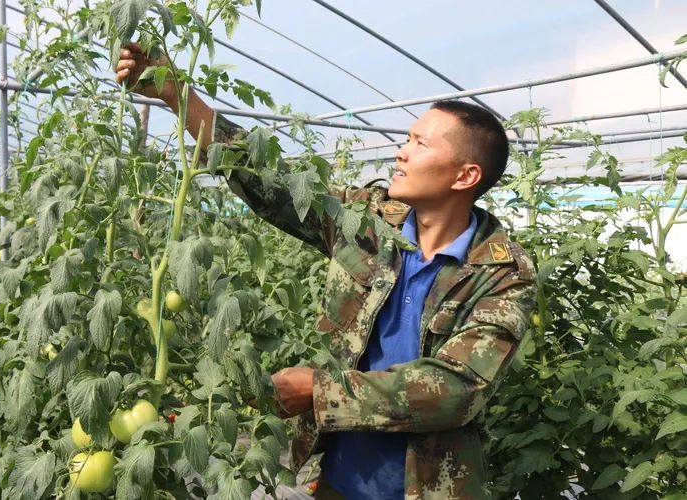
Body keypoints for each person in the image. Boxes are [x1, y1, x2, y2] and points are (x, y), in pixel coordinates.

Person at [116, 43, 537, 500]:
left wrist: (317, 391)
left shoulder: (502, 273)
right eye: (406, 139)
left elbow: (458, 388)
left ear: (464, 177)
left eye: (419, 144)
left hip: (432, 488)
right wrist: (179, 96)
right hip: (338, 479)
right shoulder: (366, 221)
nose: (401, 153)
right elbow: (269, 181)